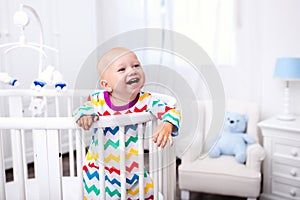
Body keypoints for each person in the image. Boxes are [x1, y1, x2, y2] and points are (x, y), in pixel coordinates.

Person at [73, 47, 181, 200]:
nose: (132, 71)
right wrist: (85, 115)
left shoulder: (147, 101)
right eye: (122, 69)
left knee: (147, 194)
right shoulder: (98, 99)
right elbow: (83, 109)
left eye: (136, 66)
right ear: (107, 85)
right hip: (100, 171)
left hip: (133, 169)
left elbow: (171, 111)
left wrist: (167, 124)